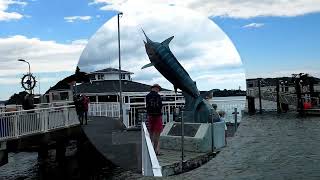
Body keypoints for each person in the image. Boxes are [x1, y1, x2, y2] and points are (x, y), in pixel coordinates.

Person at [146, 84, 163, 155]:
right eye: (158, 89)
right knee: (157, 134)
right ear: (156, 88)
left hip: (150, 116)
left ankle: (149, 150)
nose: (158, 91)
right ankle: (155, 150)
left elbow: (147, 105)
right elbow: (160, 106)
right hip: (157, 116)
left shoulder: (147, 96)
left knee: (151, 133)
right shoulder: (158, 96)